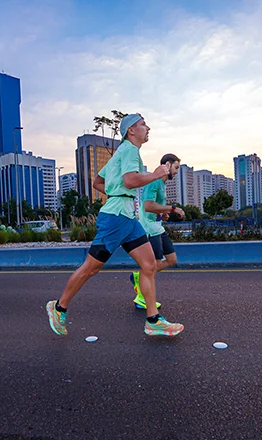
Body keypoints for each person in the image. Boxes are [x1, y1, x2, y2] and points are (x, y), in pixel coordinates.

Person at [46, 113, 184, 337]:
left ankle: (153, 320)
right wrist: (155, 174)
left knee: (149, 265)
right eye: (143, 124)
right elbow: (130, 180)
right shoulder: (129, 149)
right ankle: (58, 307)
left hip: (128, 217)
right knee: (92, 268)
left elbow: (97, 182)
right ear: (131, 130)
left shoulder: (121, 154)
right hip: (115, 218)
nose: (148, 128)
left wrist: (115, 192)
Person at [129, 153, 184, 309]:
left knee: (172, 259)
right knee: (154, 264)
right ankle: (141, 297)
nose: (176, 172)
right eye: (176, 168)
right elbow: (147, 206)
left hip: (157, 227)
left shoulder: (162, 183)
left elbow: (154, 208)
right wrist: (172, 209)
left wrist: (162, 214)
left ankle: (140, 278)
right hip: (148, 229)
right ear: (167, 165)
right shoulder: (154, 182)